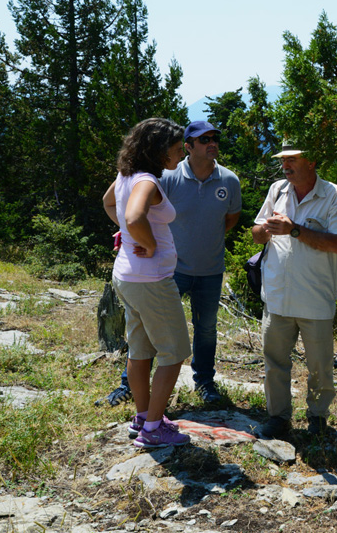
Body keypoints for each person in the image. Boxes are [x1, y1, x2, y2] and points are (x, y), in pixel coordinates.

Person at [99, 120, 242, 408]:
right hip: (167, 271)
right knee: (152, 338)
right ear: (187, 147)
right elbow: (123, 206)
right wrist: (139, 237)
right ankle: (132, 391)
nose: (212, 142)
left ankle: (203, 384)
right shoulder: (164, 175)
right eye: (204, 140)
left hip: (209, 268)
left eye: (215, 138)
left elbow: (230, 220)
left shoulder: (229, 181)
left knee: (206, 330)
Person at [251, 143, 337, 438]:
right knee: (275, 362)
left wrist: (294, 229)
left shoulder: (334, 195)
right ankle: (278, 418)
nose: (286, 165)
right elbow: (257, 235)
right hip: (277, 295)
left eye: (293, 159)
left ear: (313, 161)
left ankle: (318, 418)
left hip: (315, 297)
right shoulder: (277, 190)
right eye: (284, 159)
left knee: (320, 365)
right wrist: (266, 229)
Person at [103, 118, 192, 448]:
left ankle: (143, 417)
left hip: (128, 276)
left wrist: (128, 235)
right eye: (177, 149)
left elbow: (109, 203)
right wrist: (148, 243)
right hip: (152, 279)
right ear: (158, 151)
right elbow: (134, 216)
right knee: (173, 352)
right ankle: (154, 429)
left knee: (140, 349)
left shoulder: (126, 176)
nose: (181, 154)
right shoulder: (147, 182)